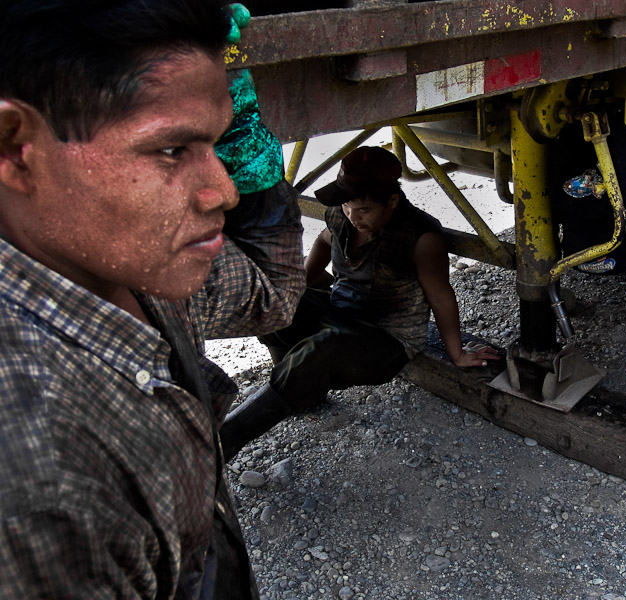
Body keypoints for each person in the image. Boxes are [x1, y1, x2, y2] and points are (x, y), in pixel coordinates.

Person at [0, 2, 304, 598]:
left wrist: (249, 152)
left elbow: (271, 294)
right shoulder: (37, 489)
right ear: (14, 146)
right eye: (171, 151)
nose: (223, 189)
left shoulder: (126, 264)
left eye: (217, 144)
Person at [220, 146, 500, 460]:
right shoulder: (342, 214)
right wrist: (296, 290)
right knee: (271, 301)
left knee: (321, 350)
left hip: (386, 341)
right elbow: (325, 241)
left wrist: (457, 353)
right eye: (348, 206)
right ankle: (302, 391)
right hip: (340, 316)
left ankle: (224, 442)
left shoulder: (420, 237)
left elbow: (440, 296)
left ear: (392, 201)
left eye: (364, 209)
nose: (354, 216)